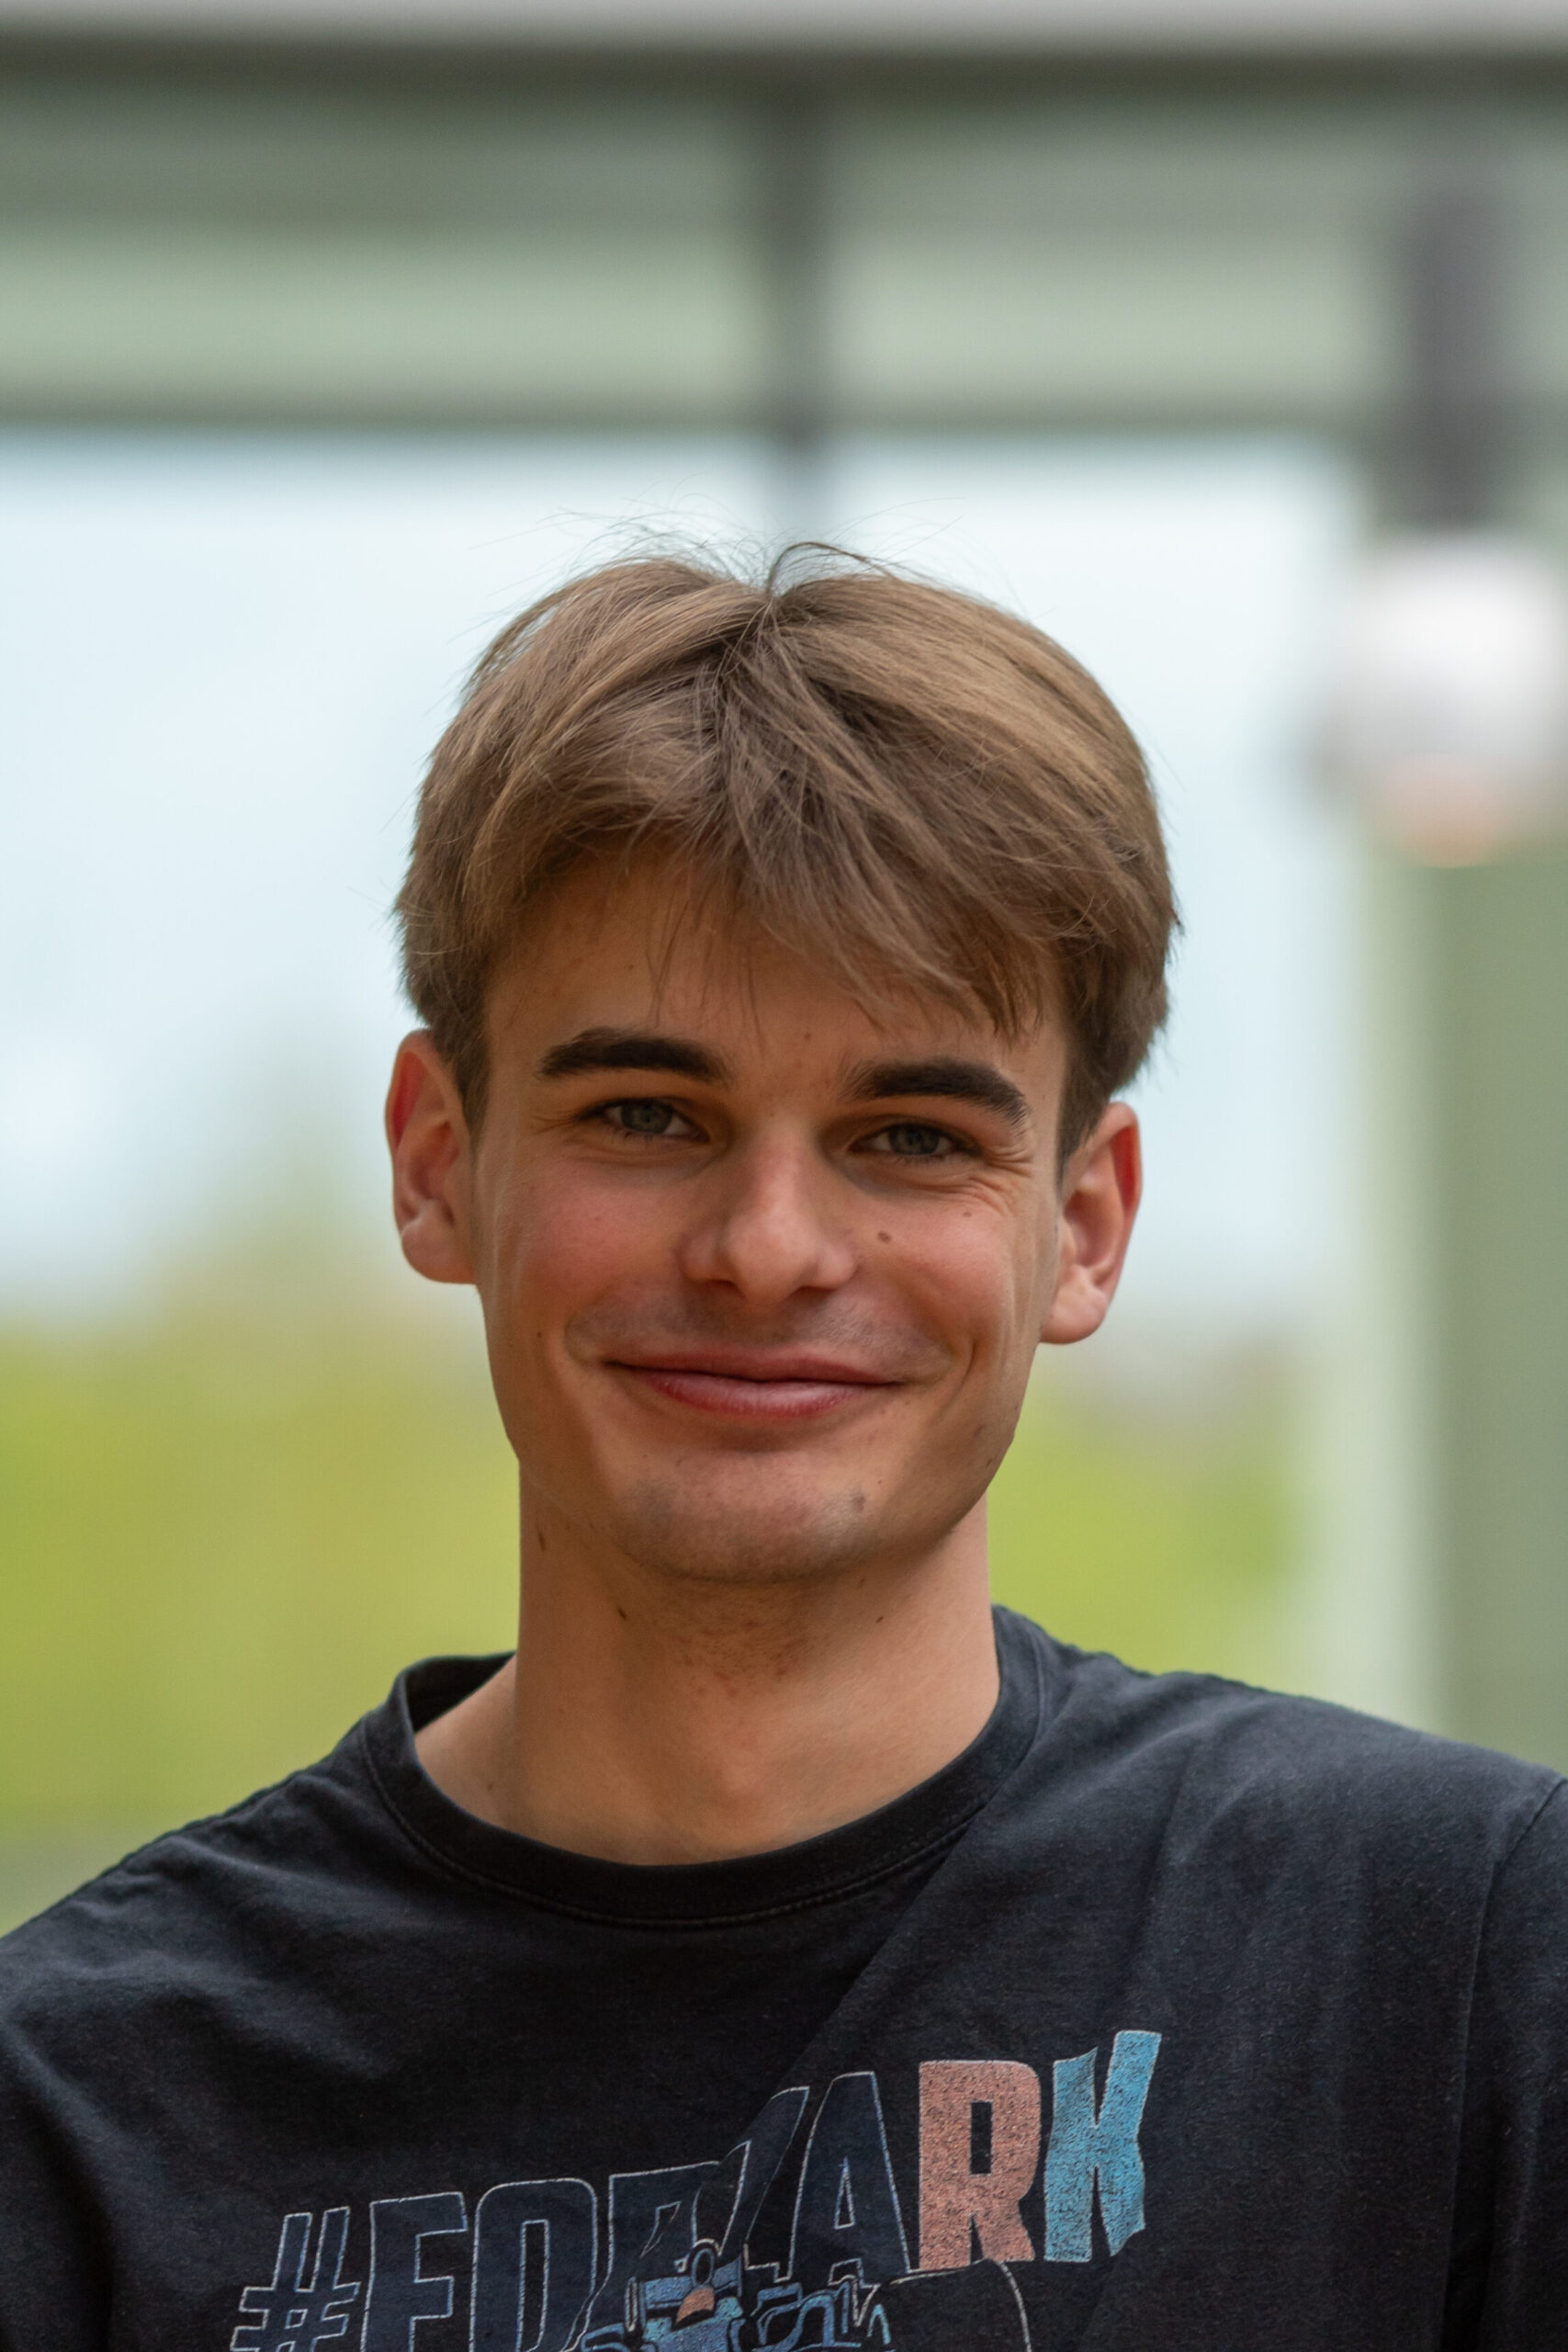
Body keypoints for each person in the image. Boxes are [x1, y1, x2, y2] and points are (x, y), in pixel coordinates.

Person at [0, 551, 1562, 2352]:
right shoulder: (76, 2101)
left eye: (909, 1137)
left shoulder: (1458, 1962)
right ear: (439, 1163)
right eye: (646, 1113)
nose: (767, 1248)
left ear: (1082, 1225)